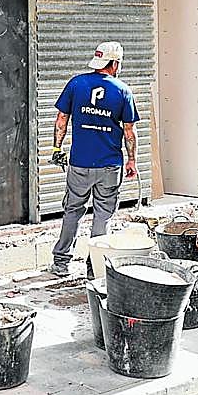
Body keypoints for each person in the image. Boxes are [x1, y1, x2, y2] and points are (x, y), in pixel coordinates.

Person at [47, 41, 140, 277]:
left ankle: (61, 263)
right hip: (110, 165)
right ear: (114, 63)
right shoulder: (122, 91)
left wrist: (57, 148)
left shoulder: (76, 84)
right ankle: (94, 267)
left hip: (80, 163)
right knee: (103, 214)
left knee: (72, 211)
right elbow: (129, 131)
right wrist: (132, 160)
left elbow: (61, 120)